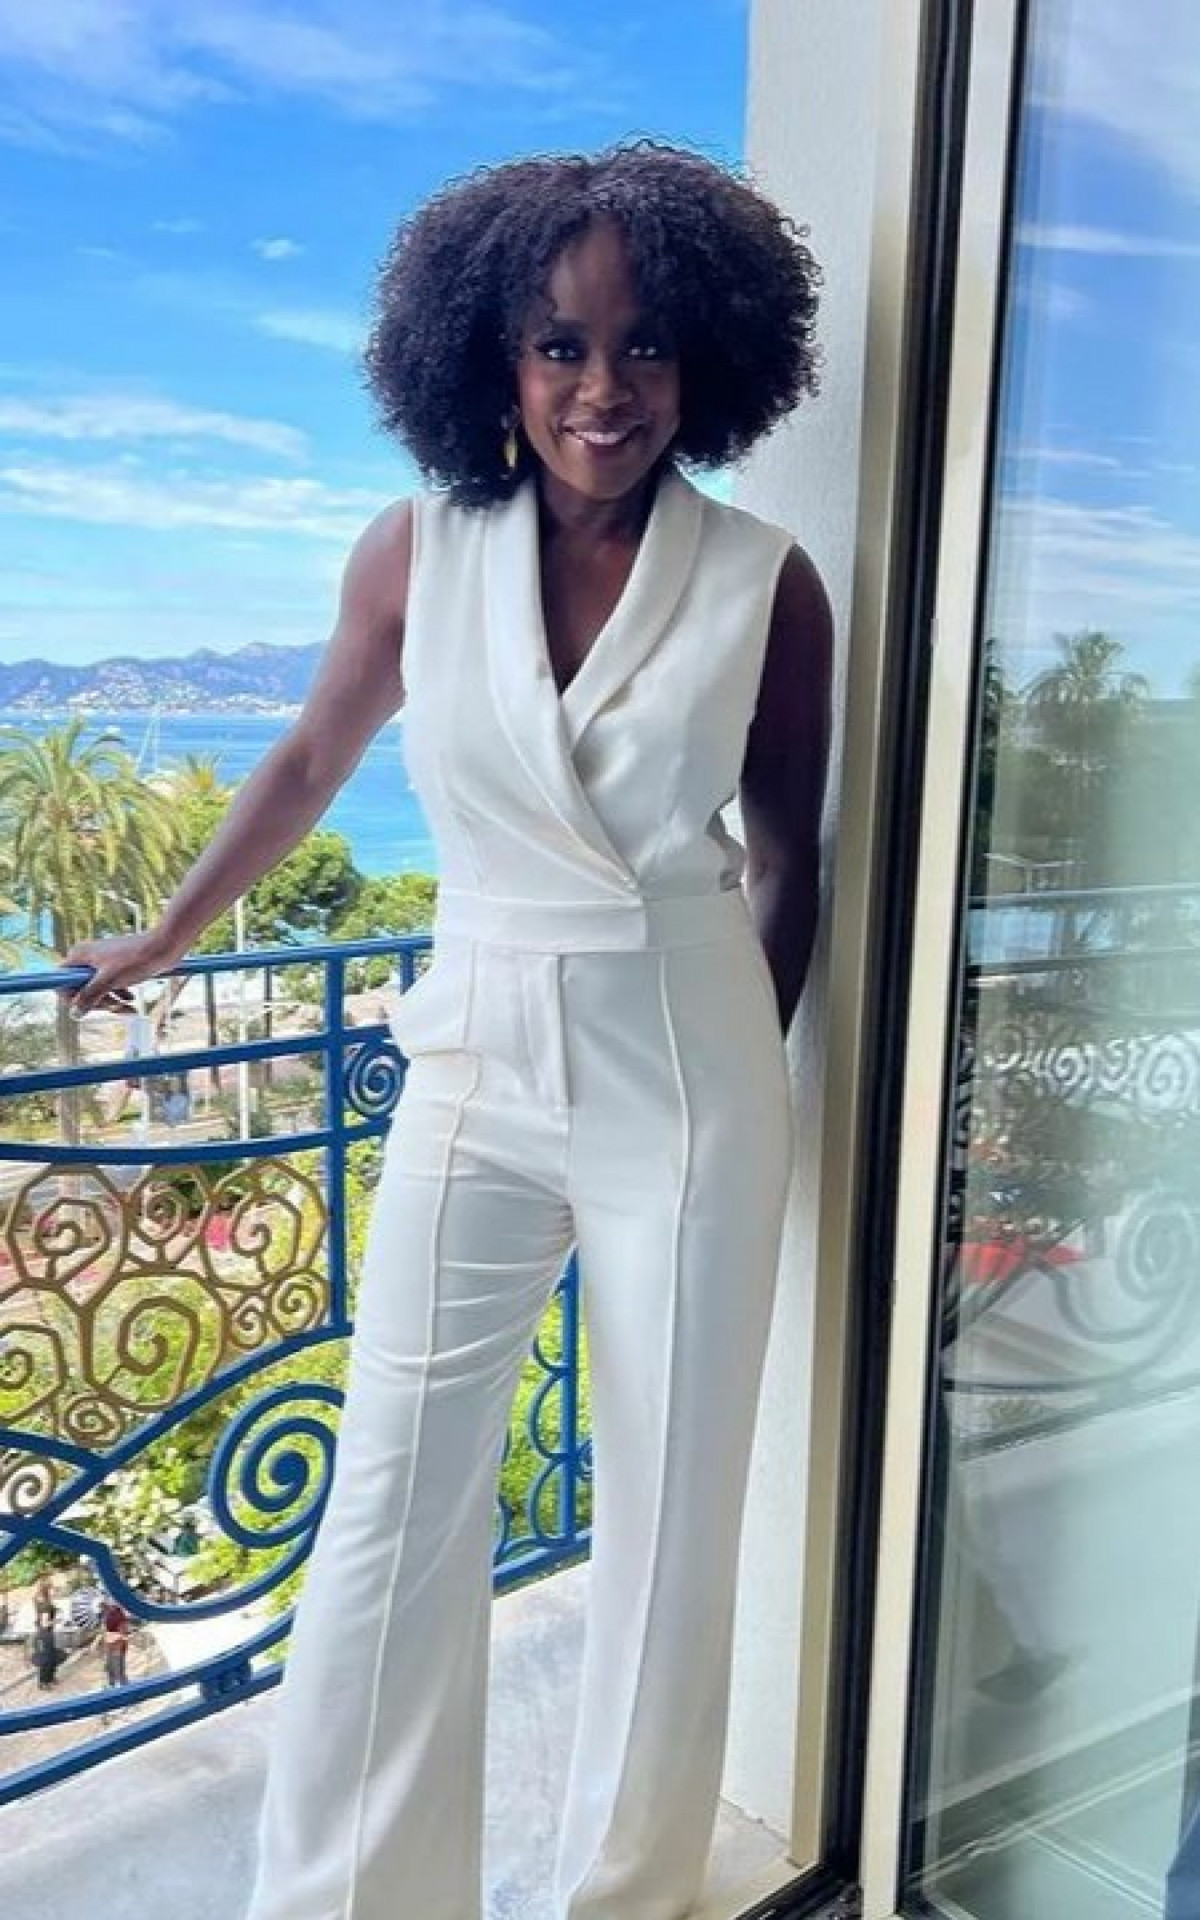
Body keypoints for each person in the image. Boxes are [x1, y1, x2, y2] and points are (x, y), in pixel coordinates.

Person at [63, 141, 832, 1920]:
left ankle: (625, 1895)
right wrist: (172, 933)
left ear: (708, 357)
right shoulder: (420, 550)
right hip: (474, 1058)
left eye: (643, 346)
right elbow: (310, 755)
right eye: (561, 345)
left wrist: (730, 1067)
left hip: (689, 1063)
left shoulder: (765, 580)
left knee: (671, 1517)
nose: (602, 389)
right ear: (493, 354)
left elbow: (790, 854)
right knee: (394, 1500)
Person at [100, 1598, 131, 1689]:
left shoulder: (119, 1614)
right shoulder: (108, 1614)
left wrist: (120, 1641)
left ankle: (121, 1684)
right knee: (111, 1665)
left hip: (117, 1642)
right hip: (112, 1642)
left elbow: (123, 1629)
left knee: (117, 1665)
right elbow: (105, 1629)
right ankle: (115, 1684)